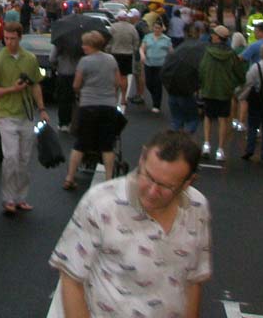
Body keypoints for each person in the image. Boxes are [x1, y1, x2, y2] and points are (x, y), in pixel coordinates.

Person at [49, 130, 211, 318]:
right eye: (149, 177)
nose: (152, 191)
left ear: (187, 182)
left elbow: (193, 281)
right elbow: (71, 279)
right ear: (142, 158)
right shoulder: (101, 202)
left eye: (166, 186)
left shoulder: (197, 207)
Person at [0, 22, 47, 214]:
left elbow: (36, 84)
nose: (9, 42)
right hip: (6, 114)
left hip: (26, 114)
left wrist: (42, 109)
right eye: (6, 38)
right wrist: (12, 88)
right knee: (10, 157)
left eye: (12, 38)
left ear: (20, 38)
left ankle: (21, 197)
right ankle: (8, 198)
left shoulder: (29, 59)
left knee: (24, 158)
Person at [62, 31, 123, 190]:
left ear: (90, 46)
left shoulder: (84, 62)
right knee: (107, 144)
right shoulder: (111, 60)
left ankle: (70, 177)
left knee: (81, 143)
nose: (82, 47)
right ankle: (109, 177)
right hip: (108, 105)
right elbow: (117, 81)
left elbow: (76, 85)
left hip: (88, 105)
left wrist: (82, 90)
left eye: (84, 44)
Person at [199, 25, 240, 162]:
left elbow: (202, 69)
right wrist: (233, 83)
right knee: (223, 119)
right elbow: (238, 72)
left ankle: (206, 144)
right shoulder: (231, 54)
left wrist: (202, 85)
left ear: (217, 37)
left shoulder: (208, 52)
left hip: (209, 89)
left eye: (213, 34)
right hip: (224, 91)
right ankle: (220, 149)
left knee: (208, 117)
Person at [161, 24, 206, 134]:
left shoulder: (179, 49)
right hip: (186, 91)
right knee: (192, 119)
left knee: (177, 120)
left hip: (172, 88)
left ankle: (175, 140)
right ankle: (185, 142)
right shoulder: (200, 48)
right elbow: (202, 70)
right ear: (199, 33)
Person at [106, 10, 140, 110]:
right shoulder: (132, 28)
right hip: (127, 54)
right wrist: (133, 49)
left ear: (119, 18)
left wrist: (108, 50)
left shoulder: (113, 27)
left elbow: (108, 41)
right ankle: (123, 98)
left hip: (115, 54)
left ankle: (114, 97)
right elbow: (136, 41)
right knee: (124, 77)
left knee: (115, 76)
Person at [140, 20, 172, 114]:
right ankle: (154, 96)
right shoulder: (148, 37)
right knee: (149, 83)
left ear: (162, 29)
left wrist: (169, 62)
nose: (157, 30)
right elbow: (142, 48)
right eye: (155, 28)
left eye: (159, 28)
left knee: (158, 84)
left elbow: (171, 52)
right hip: (149, 63)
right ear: (153, 28)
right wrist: (142, 55)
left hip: (161, 65)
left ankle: (156, 104)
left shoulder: (166, 39)